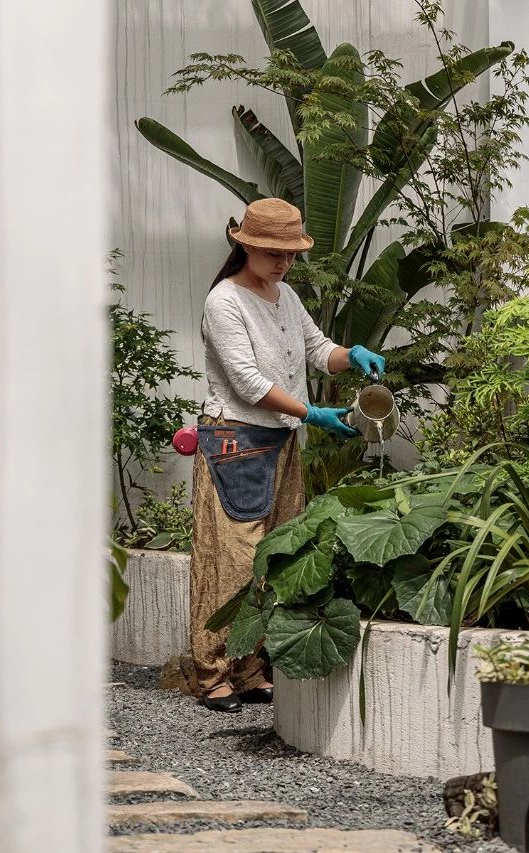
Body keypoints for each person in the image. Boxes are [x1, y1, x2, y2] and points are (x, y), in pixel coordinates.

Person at [189, 198, 385, 713]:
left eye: (291, 253)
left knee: (273, 555)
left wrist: (351, 354)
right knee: (231, 559)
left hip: (280, 441)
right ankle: (213, 672)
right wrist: (310, 413)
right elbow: (247, 382)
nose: (283, 262)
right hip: (234, 442)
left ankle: (251, 668)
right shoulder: (224, 302)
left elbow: (318, 350)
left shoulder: (286, 295)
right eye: (273, 252)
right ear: (245, 246)